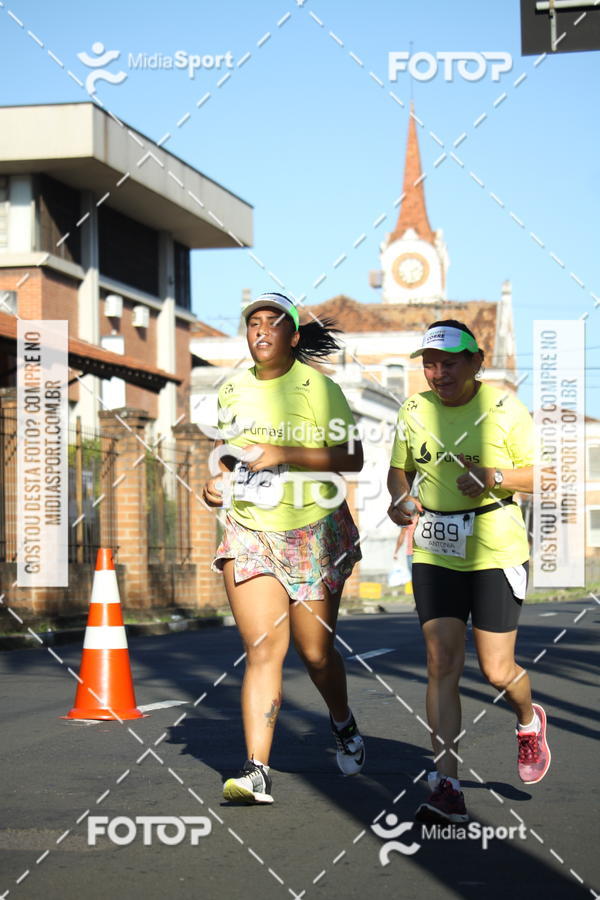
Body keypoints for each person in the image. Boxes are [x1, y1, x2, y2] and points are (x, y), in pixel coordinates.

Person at [202, 292, 365, 804]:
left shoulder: (319, 388)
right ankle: (256, 771)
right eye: (253, 322)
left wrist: (287, 452)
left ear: (294, 336)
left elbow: (353, 456)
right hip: (250, 529)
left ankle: (342, 722)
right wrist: (215, 483)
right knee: (263, 650)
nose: (261, 330)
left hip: (313, 530)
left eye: (273, 323)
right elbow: (231, 459)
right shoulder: (231, 390)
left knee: (315, 653)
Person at [387, 320, 550, 824]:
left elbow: (543, 475)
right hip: (436, 548)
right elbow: (401, 469)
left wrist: (495, 475)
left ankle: (528, 720)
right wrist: (399, 499)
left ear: (476, 362)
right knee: (441, 663)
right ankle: (448, 785)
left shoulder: (504, 408)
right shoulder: (414, 409)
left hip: (495, 547)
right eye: (430, 364)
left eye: (450, 362)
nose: (438, 373)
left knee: (497, 670)